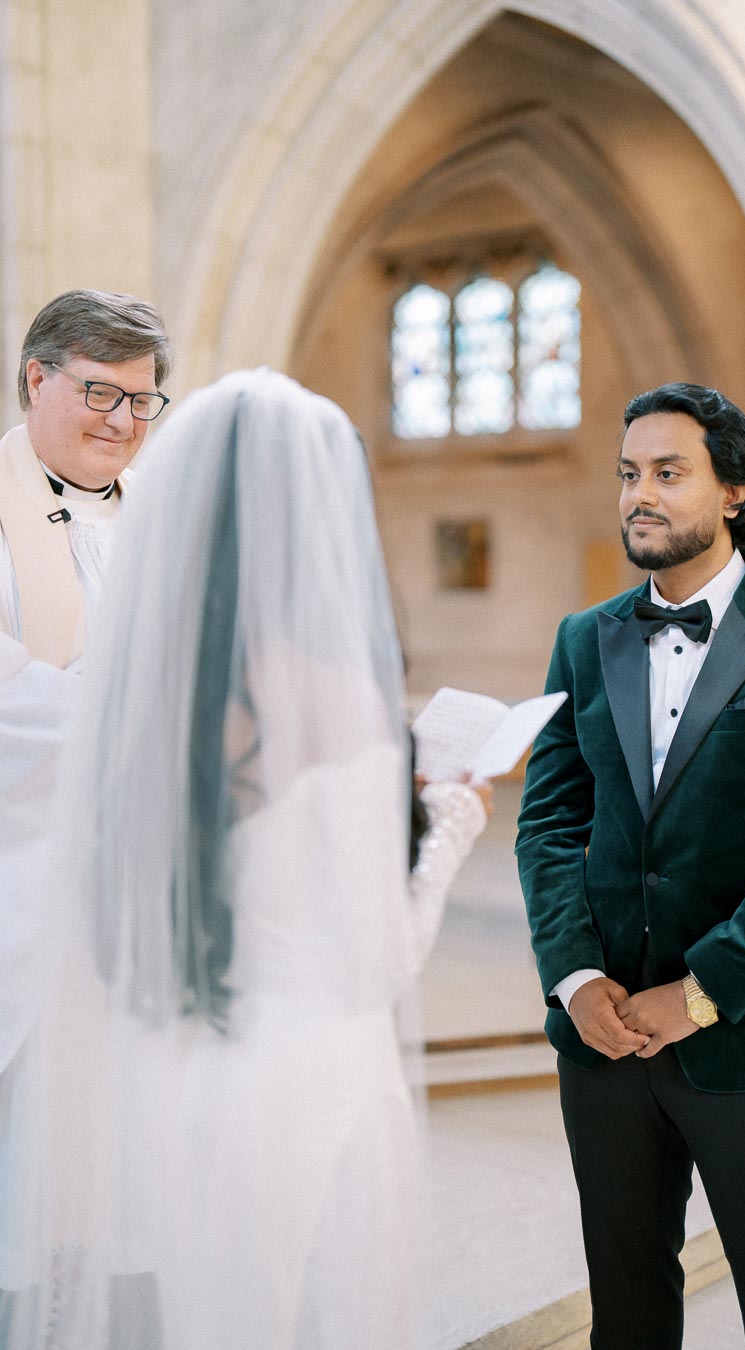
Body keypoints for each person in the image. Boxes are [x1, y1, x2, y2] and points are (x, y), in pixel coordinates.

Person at [0, 367, 490, 1349]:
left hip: (176, 1081)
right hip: (309, 1088)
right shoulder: (325, 692)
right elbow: (382, 961)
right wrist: (454, 825)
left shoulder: (142, 697)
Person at [516, 382, 745, 1349]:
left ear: (733, 491)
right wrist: (577, 976)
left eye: (669, 473)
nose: (640, 493)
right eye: (629, 474)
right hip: (602, 1043)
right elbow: (550, 822)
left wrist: (702, 991)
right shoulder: (582, 639)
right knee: (626, 1304)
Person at [0, 288, 172, 1079]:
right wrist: (130, 717)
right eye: (99, 391)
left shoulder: (166, 520)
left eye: (141, 399)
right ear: (37, 380)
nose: (122, 420)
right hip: (23, 875)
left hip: (139, 877)